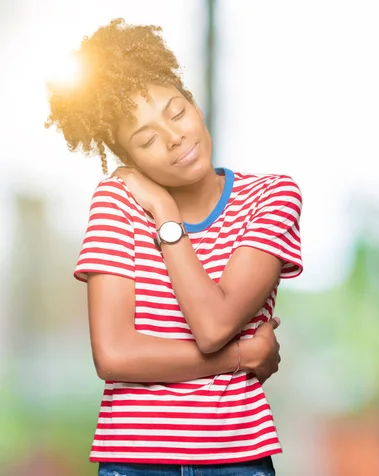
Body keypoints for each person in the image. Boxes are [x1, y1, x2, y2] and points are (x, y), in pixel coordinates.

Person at [45, 18, 302, 476]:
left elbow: (213, 322)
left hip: (236, 459)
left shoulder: (272, 197)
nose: (173, 137)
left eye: (177, 112)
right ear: (130, 159)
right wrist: (241, 358)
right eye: (146, 139)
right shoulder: (117, 202)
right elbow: (115, 356)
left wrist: (165, 217)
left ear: (194, 103)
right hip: (135, 462)